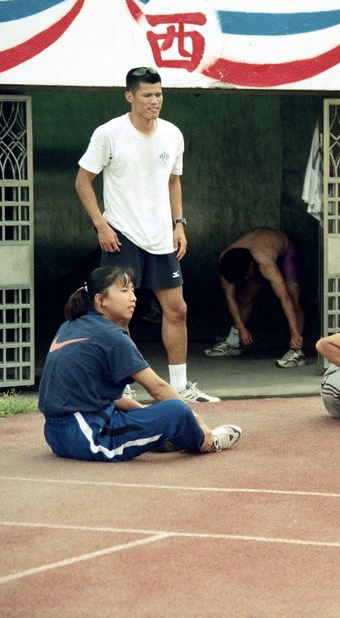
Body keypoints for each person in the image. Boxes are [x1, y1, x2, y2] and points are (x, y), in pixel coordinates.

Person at [74, 66, 217, 403]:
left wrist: (178, 223)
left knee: (177, 309)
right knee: (120, 311)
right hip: (122, 235)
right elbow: (83, 181)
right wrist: (101, 224)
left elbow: (173, 180)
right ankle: (122, 384)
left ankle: (179, 385)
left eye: (159, 94)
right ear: (130, 96)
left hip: (161, 238)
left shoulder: (172, 134)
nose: (155, 101)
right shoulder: (108, 133)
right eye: (148, 95)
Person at [37, 267, 242, 462]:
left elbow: (111, 397)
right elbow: (158, 388)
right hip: (89, 437)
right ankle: (206, 442)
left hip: (56, 435)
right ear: (101, 300)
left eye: (133, 291)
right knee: (176, 411)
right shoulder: (111, 336)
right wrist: (198, 422)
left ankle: (162, 437)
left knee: (151, 411)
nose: (133, 297)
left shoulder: (70, 326)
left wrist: (143, 412)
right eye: (124, 291)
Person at [205, 227, 307, 368]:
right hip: (257, 256)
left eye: (246, 275)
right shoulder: (226, 259)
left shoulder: (265, 263)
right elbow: (230, 296)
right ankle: (232, 342)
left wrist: (294, 332)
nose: (246, 278)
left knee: (292, 296)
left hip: (286, 251)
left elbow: (284, 298)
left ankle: (297, 350)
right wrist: (241, 328)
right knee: (245, 296)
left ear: (252, 265)